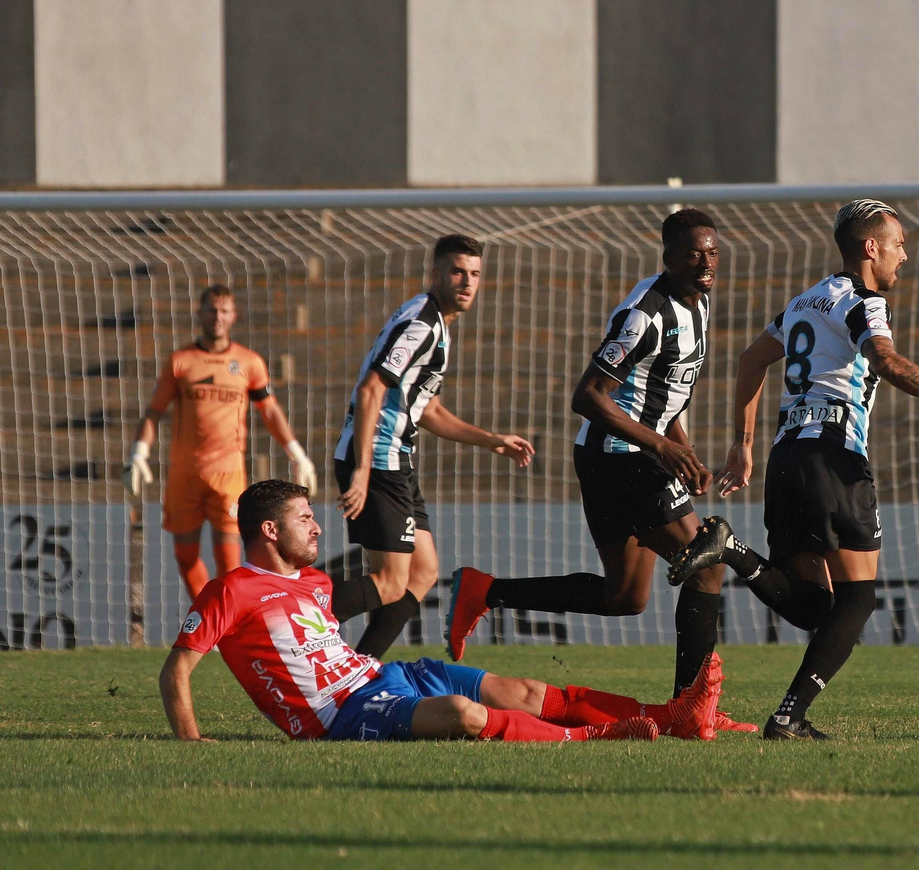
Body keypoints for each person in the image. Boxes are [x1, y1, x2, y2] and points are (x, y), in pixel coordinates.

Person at [669, 200, 919, 740]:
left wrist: (744, 445)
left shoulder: (808, 300)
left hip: (787, 460)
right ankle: (788, 716)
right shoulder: (864, 302)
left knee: (812, 608)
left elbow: (749, 360)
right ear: (870, 247)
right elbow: (886, 361)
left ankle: (730, 548)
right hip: (834, 460)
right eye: (898, 244)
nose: (905, 255)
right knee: (857, 600)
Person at [446, 210, 754, 732]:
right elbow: (587, 395)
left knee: (625, 596)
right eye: (695, 253)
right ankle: (691, 708)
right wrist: (663, 447)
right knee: (708, 565)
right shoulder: (645, 314)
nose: (706, 263)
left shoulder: (698, 306)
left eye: (713, 253)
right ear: (669, 257)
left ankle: (484, 591)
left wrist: (685, 451)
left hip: (631, 457)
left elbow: (663, 394)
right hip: (619, 459)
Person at [158, 479, 724, 743]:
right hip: (341, 717)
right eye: (304, 518)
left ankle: (670, 716)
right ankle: (595, 738)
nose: (316, 526)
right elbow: (177, 669)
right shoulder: (231, 591)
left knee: (525, 689)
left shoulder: (312, 582)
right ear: (268, 530)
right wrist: (190, 739)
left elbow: (387, 587)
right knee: (461, 714)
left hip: (384, 678)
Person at [330, 234, 535, 659]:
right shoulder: (421, 324)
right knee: (389, 580)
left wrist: (492, 441)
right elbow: (370, 391)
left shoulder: (436, 324)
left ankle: (359, 670)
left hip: (395, 460)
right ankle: (284, 617)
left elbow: (428, 410)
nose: (467, 282)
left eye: (475, 274)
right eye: (458, 272)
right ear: (436, 274)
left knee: (422, 573)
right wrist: (364, 470)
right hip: (379, 459)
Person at [124, 283, 318, 600]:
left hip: (228, 474)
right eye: (212, 310)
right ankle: (208, 620)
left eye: (224, 310)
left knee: (228, 563)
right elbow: (154, 411)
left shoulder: (249, 362)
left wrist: (296, 453)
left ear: (233, 316)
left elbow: (269, 410)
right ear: (199, 313)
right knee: (185, 558)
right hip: (184, 474)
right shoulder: (181, 361)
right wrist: (138, 453)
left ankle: (226, 628)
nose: (217, 316)